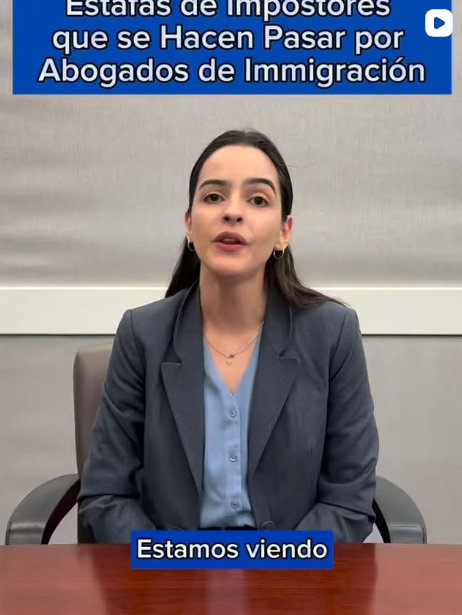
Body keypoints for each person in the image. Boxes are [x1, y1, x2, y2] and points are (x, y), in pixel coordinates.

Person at [78, 129, 379, 543]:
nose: (233, 212)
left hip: (294, 572)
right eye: (214, 196)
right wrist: (174, 567)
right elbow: (105, 495)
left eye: (257, 200)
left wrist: (276, 568)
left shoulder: (332, 334)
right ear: (189, 224)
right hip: (169, 572)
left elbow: (349, 501)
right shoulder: (142, 334)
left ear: (284, 231)